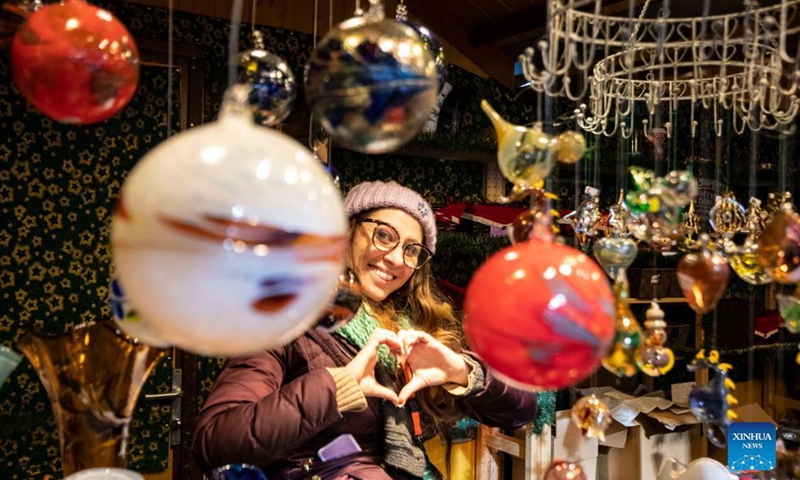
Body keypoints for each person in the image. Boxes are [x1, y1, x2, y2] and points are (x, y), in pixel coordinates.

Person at [192, 180, 539, 480]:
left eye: (411, 250)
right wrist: (337, 388)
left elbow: (521, 411)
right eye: (383, 235)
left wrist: (461, 371)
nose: (395, 259)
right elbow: (214, 445)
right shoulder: (288, 318)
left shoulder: (415, 325)